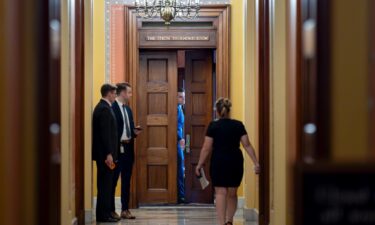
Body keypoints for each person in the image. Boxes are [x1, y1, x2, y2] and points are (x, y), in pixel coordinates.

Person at [195, 98, 261, 225]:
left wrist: (199, 164)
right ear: (229, 111)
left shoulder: (213, 126)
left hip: (219, 160)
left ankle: (221, 223)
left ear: (217, 112)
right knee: (232, 192)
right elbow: (247, 145)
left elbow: (207, 147)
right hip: (235, 160)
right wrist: (256, 162)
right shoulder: (238, 125)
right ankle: (229, 221)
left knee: (220, 192)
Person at [110, 82, 141, 220]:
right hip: (117, 149)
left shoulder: (128, 109)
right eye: (129, 92)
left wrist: (135, 132)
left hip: (128, 148)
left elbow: (130, 127)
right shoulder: (112, 107)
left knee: (127, 180)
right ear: (122, 93)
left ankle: (125, 209)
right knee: (113, 180)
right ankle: (111, 210)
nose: (130, 94)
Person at [92, 84, 120, 223]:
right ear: (109, 93)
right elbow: (105, 135)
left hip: (107, 155)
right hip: (105, 156)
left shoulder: (105, 107)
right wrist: (109, 154)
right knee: (104, 186)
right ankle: (103, 215)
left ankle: (105, 213)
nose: (115, 96)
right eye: (115, 93)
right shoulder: (103, 109)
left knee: (106, 185)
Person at [177, 88, 186, 203]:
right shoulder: (175, 109)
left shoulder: (180, 108)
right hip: (176, 141)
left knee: (181, 168)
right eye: (180, 97)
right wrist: (179, 138)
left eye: (184, 97)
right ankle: (181, 195)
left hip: (180, 141)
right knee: (179, 169)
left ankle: (181, 193)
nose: (183, 99)